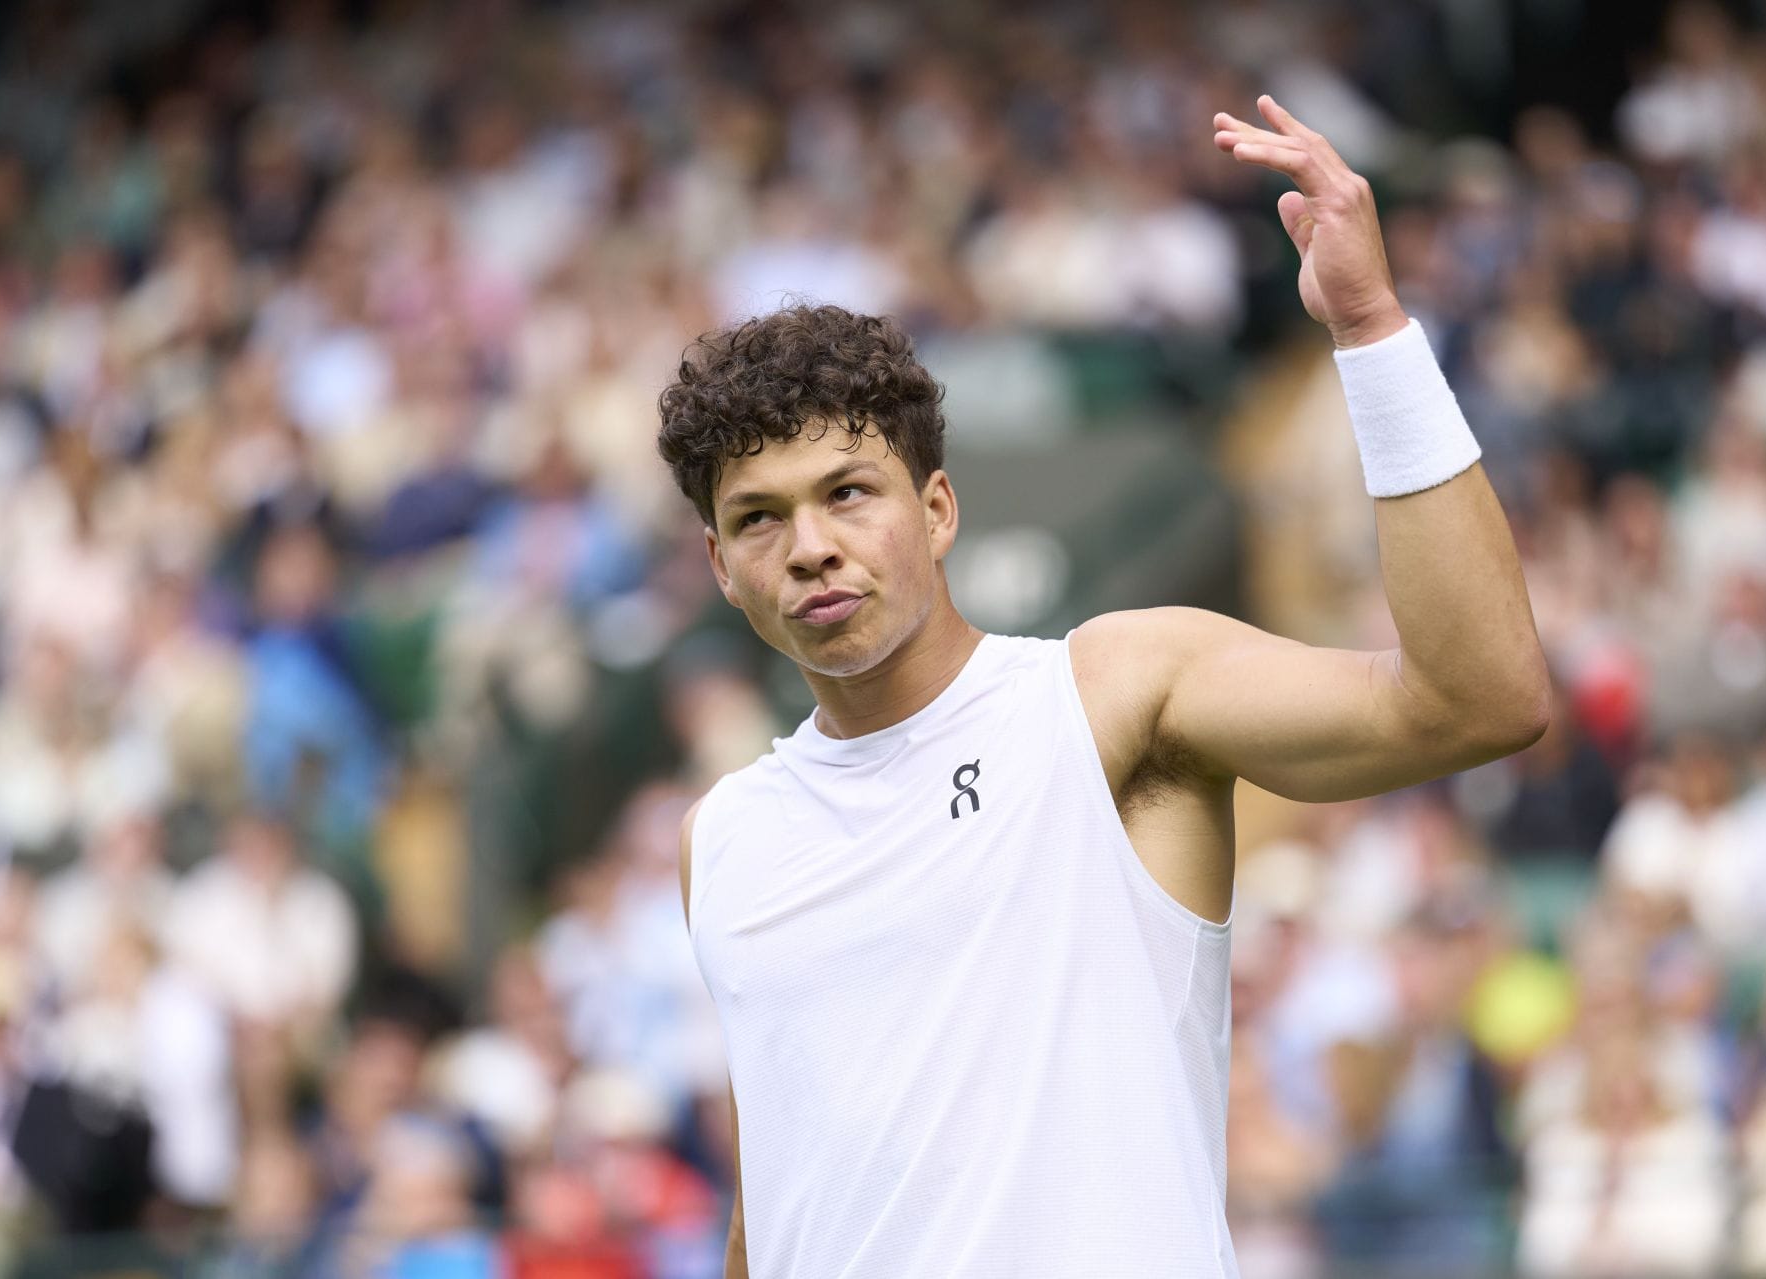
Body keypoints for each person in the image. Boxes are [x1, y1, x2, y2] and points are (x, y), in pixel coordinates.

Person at [655, 96, 1550, 1278]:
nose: (810, 546)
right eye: (759, 519)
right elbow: (778, 1202)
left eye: (849, 493)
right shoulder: (719, 838)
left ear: (939, 509)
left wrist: (1372, 327)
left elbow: (1479, 699)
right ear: (722, 567)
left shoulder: (1114, 691)